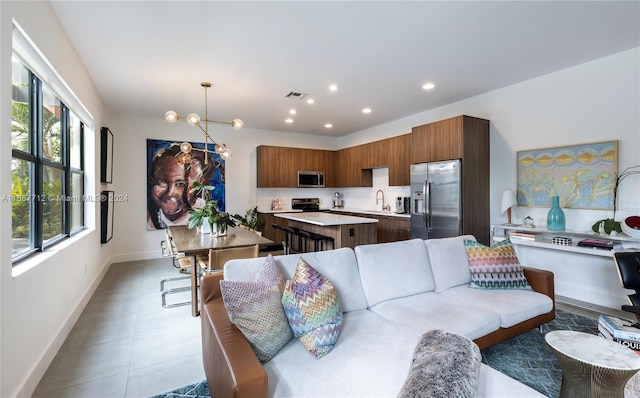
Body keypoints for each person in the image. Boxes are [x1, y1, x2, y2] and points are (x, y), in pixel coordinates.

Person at [147, 143, 218, 230]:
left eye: (180, 184)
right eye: (162, 181)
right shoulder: (148, 220)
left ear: (199, 184)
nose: (170, 193)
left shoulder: (211, 219)